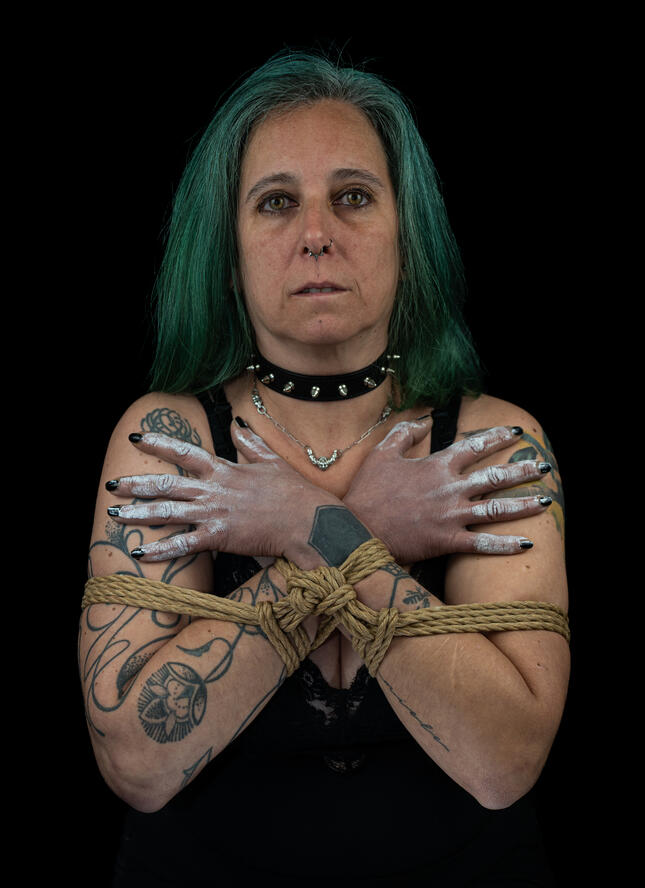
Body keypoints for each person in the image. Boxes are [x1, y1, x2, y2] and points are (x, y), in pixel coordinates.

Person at [80, 50, 568, 886]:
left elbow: (503, 764)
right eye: (276, 202)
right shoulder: (166, 440)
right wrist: (351, 527)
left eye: (352, 197)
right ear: (227, 252)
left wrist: (304, 524)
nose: (316, 234)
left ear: (407, 236)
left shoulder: (493, 444)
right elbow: (138, 765)